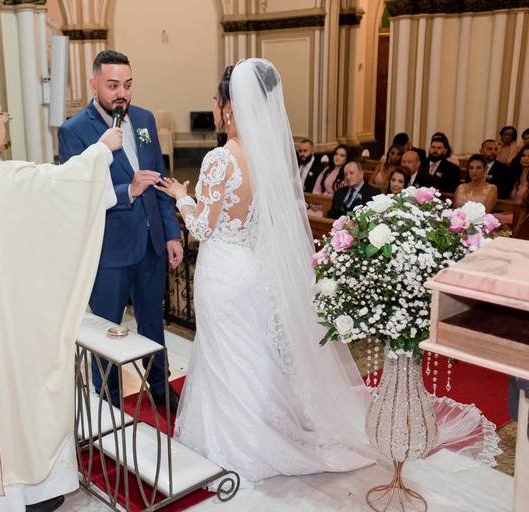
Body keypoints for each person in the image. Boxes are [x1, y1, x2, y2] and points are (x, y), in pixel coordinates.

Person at [155, 58, 500, 489]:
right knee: (248, 354)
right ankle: (259, 431)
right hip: (249, 268)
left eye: (216, 99)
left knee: (224, 354)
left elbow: (203, 228)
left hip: (222, 271)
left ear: (228, 106)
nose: (213, 106)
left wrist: (181, 197)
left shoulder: (219, 159)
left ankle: (234, 441)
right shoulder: (265, 158)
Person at [0, 79, 122, 512]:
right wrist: (102, 150)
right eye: (2, 115)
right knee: (13, 391)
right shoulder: (0, 179)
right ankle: (23, 491)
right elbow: (64, 186)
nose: (4, 123)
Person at [58, 50, 182, 411]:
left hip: (151, 244)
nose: (121, 94)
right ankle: (109, 399)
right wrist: (128, 190)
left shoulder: (143, 119)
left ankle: (159, 386)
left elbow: (159, 178)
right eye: (112, 86)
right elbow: (76, 192)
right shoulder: (74, 131)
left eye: (127, 85)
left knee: (153, 322)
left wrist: (171, 233)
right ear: (93, 84)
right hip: (109, 250)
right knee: (107, 330)